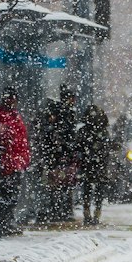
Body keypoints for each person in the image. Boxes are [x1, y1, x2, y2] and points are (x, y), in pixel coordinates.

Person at [0, 90, 31, 237]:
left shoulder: (13, 116)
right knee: (5, 194)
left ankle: (6, 221)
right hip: (7, 162)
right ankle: (3, 223)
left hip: (14, 161)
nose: (12, 102)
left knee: (11, 195)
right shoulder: (2, 116)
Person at [37, 85, 80, 222]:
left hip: (58, 155)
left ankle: (57, 210)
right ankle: (59, 210)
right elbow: (62, 134)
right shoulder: (63, 114)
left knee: (58, 184)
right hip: (58, 156)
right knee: (59, 184)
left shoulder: (65, 113)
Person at [77, 104, 113, 227]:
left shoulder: (87, 132)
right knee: (95, 190)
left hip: (92, 165)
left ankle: (91, 214)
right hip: (93, 165)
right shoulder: (99, 132)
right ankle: (93, 214)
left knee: (91, 190)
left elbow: (79, 147)